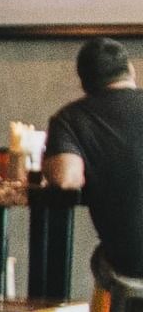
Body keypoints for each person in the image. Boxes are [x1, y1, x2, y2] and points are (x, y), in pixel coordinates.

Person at [45, 38, 143, 281]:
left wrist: (46, 161)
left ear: (84, 82)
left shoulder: (71, 118)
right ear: (131, 70)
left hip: (129, 264)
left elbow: (66, 178)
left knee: (101, 259)